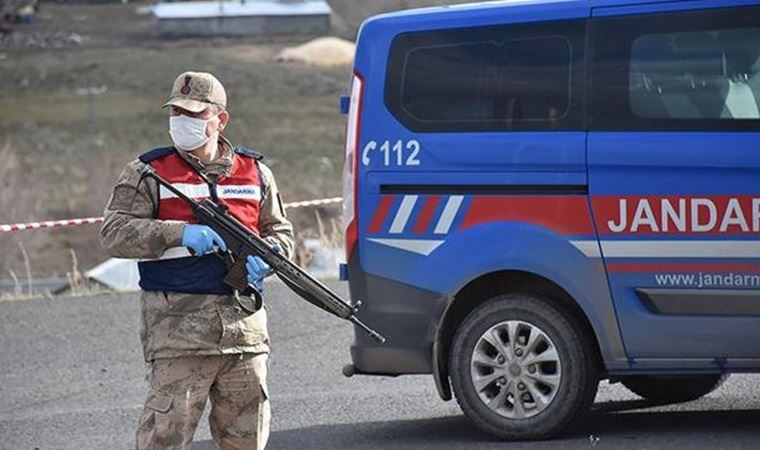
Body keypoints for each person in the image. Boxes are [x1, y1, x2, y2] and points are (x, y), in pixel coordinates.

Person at [100, 71, 294, 450]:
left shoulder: (255, 173)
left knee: (246, 441)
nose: (182, 122)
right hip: (179, 334)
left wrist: (271, 257)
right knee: (164, 440)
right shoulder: (149, 173)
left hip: (245, 333)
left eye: (193, 114)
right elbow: (114, 233)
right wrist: (178, 233)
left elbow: (281, 232)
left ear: (219, 120)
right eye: (177, 113)